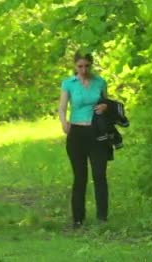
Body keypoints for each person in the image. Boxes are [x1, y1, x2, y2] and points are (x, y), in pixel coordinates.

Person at [58, 51, 110, 228]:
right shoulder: (69, 83)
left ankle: (102, 216)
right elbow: (62, 108)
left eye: (87, 65)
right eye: (80, 66)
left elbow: (107, 104)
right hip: (77, 133)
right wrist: (64, 123)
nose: (84, 69)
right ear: (75, 66)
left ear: (91, 65)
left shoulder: (100, 82)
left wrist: (105, 106)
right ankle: (78, 218)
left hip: (96, 133)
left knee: (99, 174)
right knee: (80, 177)